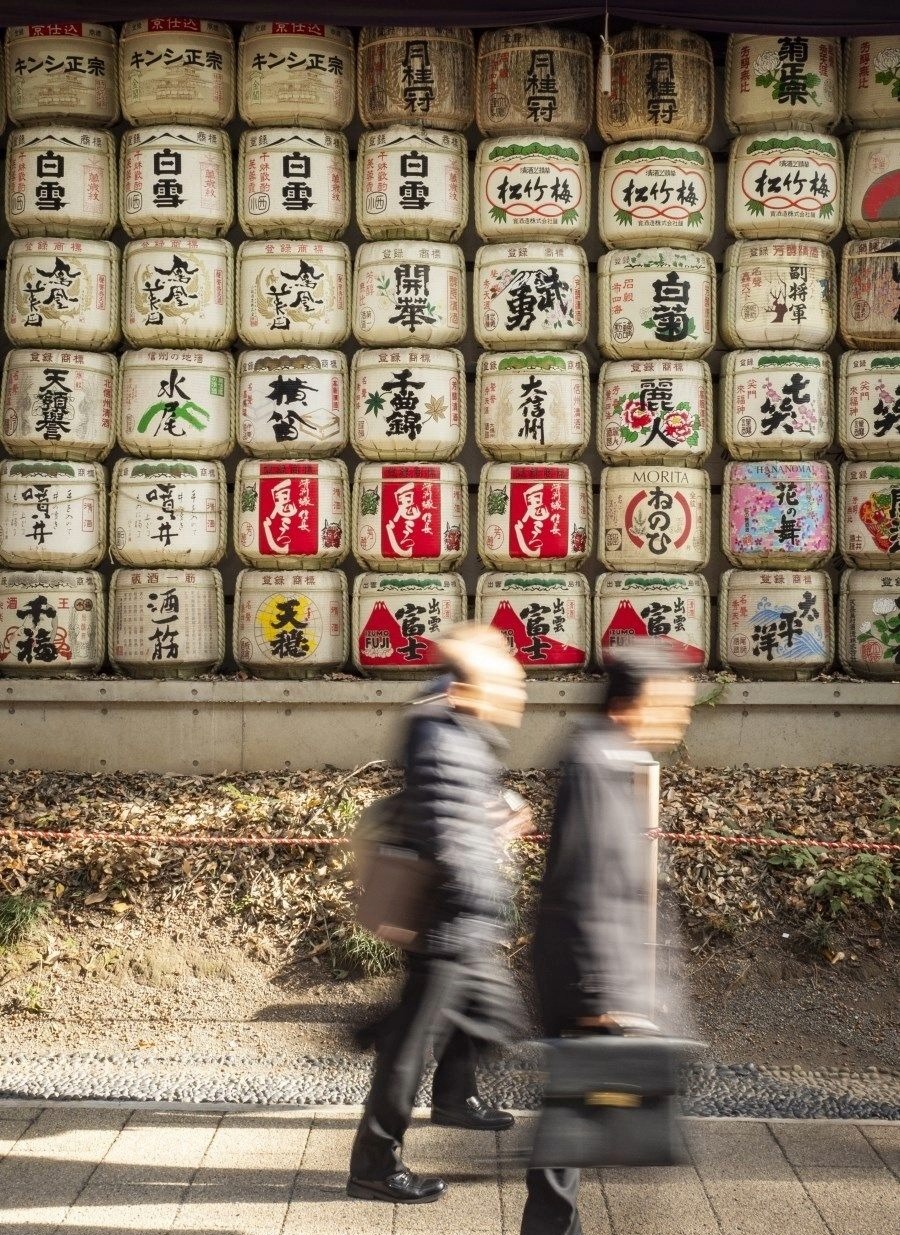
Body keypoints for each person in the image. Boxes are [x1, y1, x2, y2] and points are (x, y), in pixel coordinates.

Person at [348, 624, 528, 1205]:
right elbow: (443, 829)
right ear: (473, 684)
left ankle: (423, 1079)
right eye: (508, 680)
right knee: (414, 1046)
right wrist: (477, 893)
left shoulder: (457, 727)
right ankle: (375, 1164)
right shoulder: (443, 733)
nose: (518, 692)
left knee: (465, 1020)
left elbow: (457, 815)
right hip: (448, 914)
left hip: (457, 913)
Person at [521, 644, 696, 1235]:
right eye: (673, 705)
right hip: (587, 981)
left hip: (599, 976)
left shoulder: (618, 756)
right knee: (571, 1121)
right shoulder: (596, 760)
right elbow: (585, 881)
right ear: (631, 704)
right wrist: (602, 996)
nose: (682, 718)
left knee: (575, 1122)